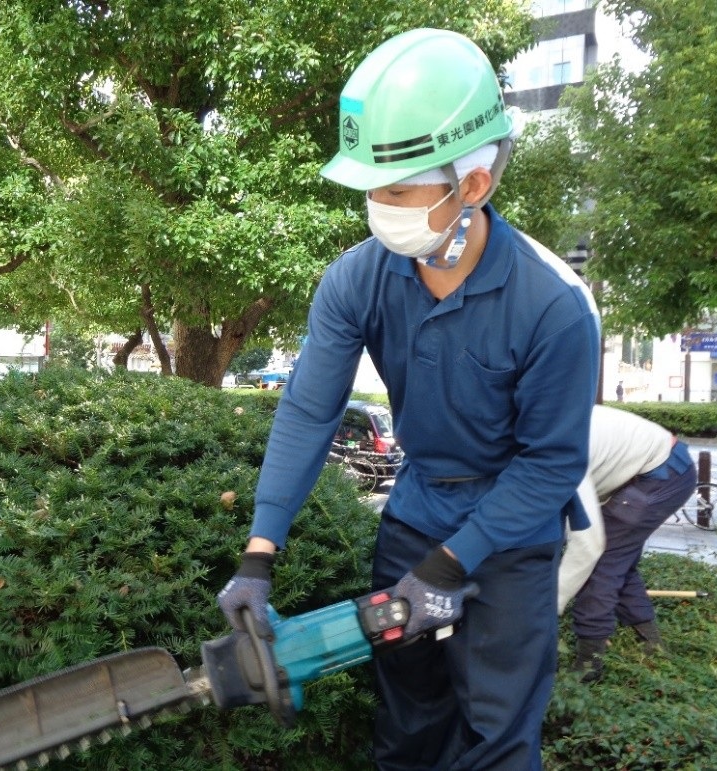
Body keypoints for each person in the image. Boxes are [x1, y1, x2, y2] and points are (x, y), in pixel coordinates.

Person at [216, 28, 600, 770]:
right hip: (416, 513)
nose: (378, 207)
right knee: (407, 721)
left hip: (514, 538)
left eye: (397, 189)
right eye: (370, 189)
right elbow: (308, 408)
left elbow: (550, 465)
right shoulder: (356, 280)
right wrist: (260, 552)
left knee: (496, 733)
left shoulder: (555, 306)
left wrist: (454, 567)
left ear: (474, 184)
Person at [557, 405, 697, 682]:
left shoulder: (558, 449)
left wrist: (552, 604)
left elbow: (588, 545)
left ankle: (589, 663)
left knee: (602, 563)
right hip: (665, 465)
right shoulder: (551, 419)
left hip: (662, 474)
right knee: (620, 560)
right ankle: (651, 641)